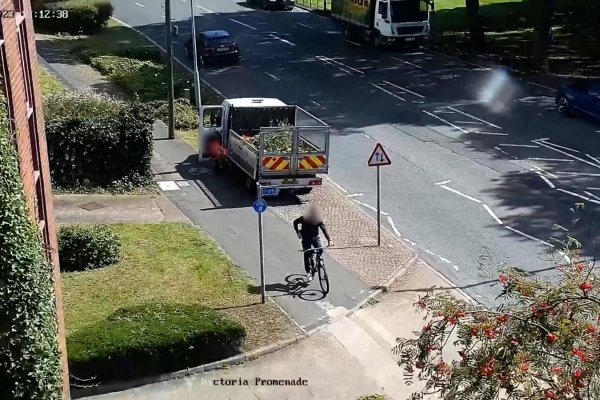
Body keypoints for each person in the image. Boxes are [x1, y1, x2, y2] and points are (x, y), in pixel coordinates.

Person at [293, 205, 332, 282]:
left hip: (315, 238)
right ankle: (309, 273)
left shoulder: (318, 220)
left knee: (320, 249)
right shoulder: (304, 218)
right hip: (306, 239)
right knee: (307, 254)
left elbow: (323, 229)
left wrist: (329, 240)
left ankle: (319, 260)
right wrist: (298, 232)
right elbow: (295, 222)